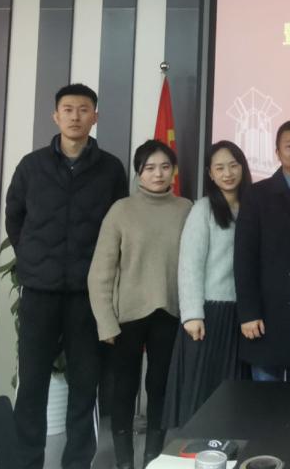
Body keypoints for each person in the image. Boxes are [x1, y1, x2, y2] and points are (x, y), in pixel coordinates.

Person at [5, 83, 128, 469]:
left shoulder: (110, 169)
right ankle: (27, 462)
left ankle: (77, 463)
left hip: (86, 295)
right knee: (32, 384)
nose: (76, 116)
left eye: (84, 109)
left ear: (95, 116)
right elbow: (15, 217)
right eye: (68, 109)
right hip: (39, 291)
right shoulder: (32, 166)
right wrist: (32, 260)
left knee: (85, 384)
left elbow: (118, 227)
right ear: (56, 116)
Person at [88, 139, 192, 469]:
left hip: (170, 313)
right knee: (124, 388)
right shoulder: (121, 210)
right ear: (138, 173)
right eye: (150, 168)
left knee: (159, 388)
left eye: (165, 167)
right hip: (127, 317)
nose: (158, 174)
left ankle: (153, 457)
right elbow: (100, 273)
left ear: (173, 171)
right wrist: (105, 321)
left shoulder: (186, 209)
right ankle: (124, 462)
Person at [163, 140, 253, 428]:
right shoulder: (203, 209)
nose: (228, 173)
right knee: (203, 389)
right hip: (210, 314)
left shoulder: (253, 207)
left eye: (233, 165)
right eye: (220, 168)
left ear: (243, 167)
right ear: (210, 174)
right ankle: (194, 447)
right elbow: (189, 264)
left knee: (235, 392)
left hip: (243, 314)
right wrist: (192, 314)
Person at [234, 120, 290, 382]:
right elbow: (244, 258)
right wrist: (249, 313)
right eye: (289, 145)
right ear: (277, 152)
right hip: (267, 313)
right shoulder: (256, 194)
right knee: (266, 391)